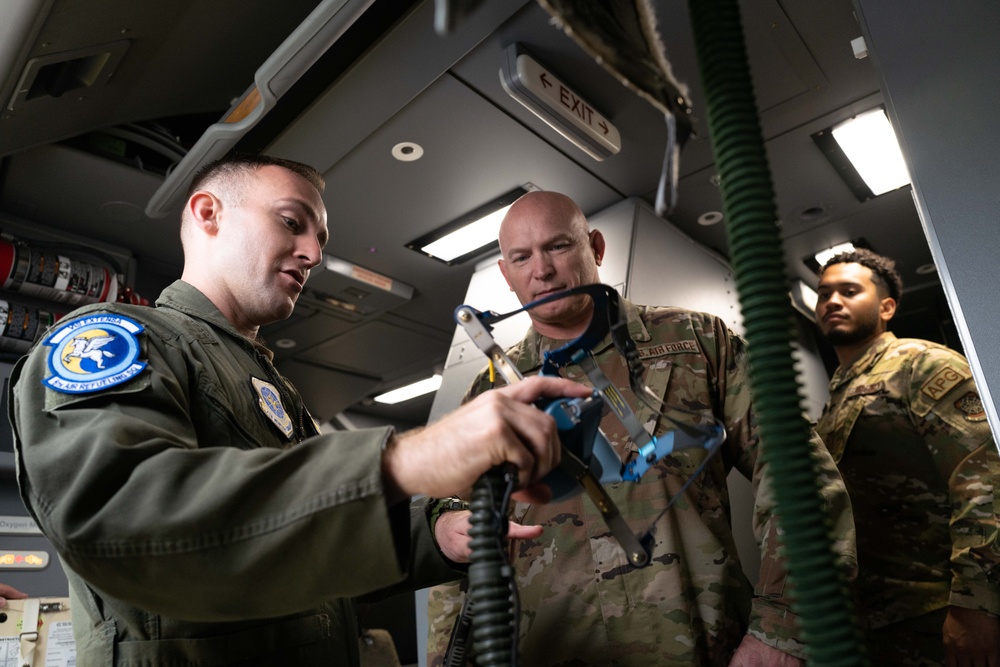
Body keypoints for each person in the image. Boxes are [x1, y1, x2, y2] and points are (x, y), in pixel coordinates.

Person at [7, 155, 589, 666]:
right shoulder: (113, 338)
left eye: (321, 240)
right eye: (291, 223)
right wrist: (406, 460)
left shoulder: (271, 384)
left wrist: (436, 535)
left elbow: (297, 550)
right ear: (209, 214)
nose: (312, 254)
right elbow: (121, 516)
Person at [426, 191, 857, 666]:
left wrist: (782, 631)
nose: (541, 271)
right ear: (506, 275)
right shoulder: (487, 398)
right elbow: (457, 555)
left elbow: (798, 473)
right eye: (521, 257)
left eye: (558, 247)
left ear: (595, 247)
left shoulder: (695, 342)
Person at [814, 248, 1000, 666]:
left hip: (942, 609)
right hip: (877, 622)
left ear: (886, 306)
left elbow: (983, 478)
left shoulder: (921, 365)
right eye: (824, 293)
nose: (832, 302)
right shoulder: (836, 398)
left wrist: (976, 602)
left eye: (848, 291)